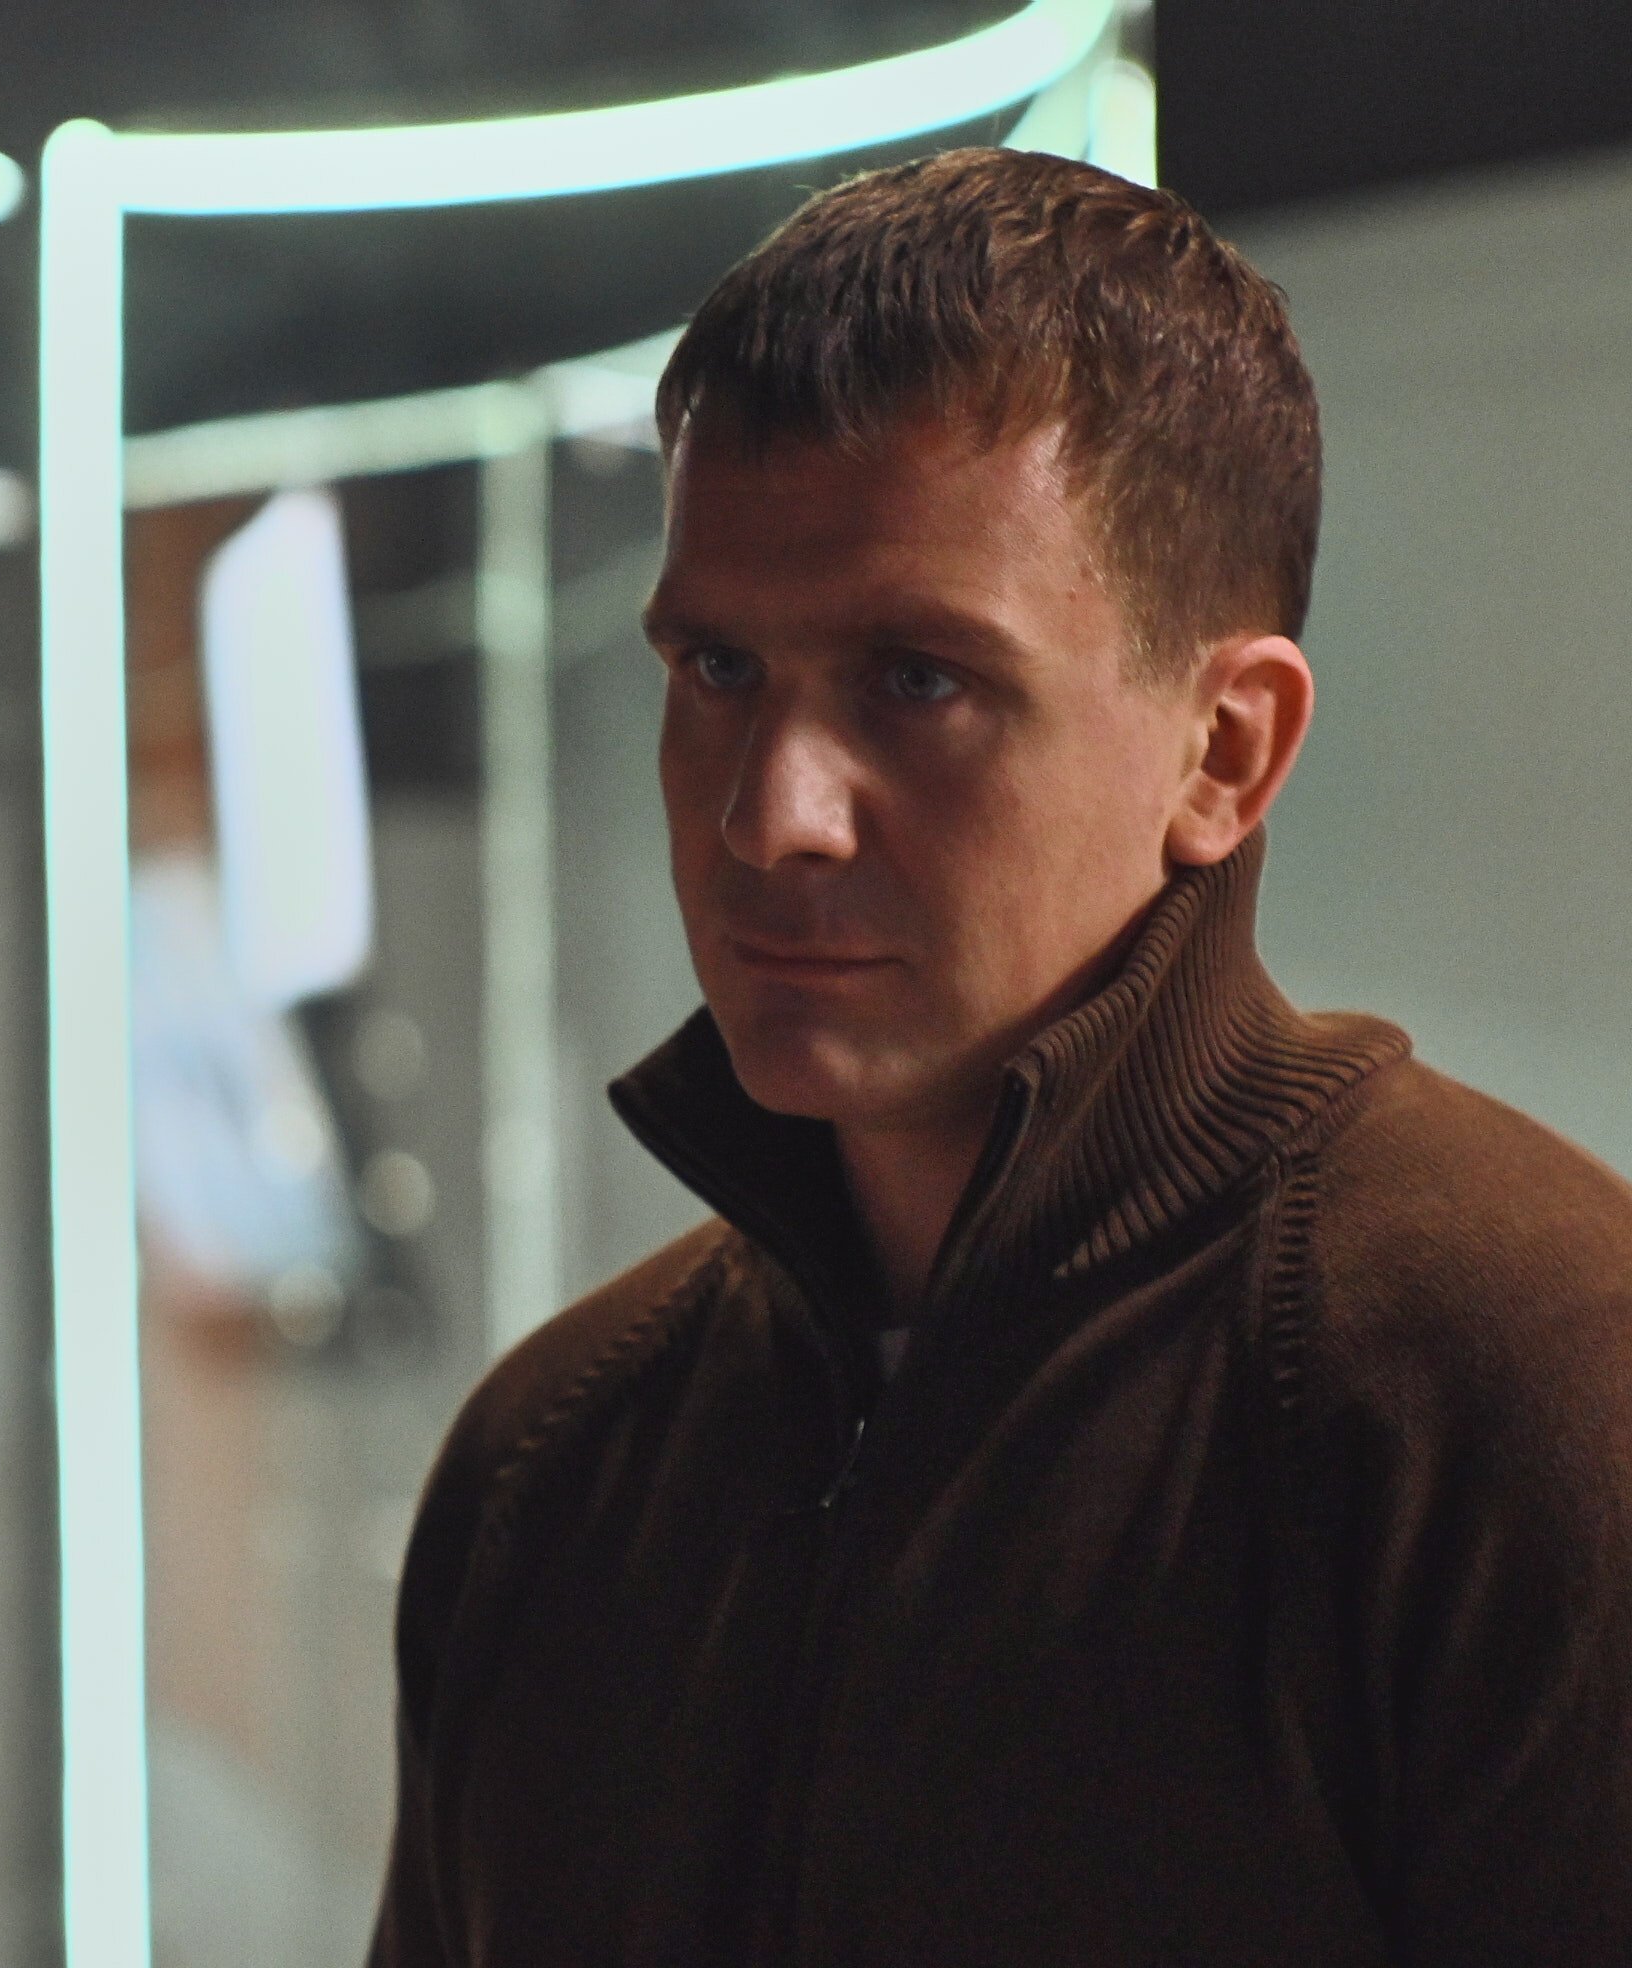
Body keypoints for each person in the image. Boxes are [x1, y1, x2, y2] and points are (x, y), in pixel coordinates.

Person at [371, 147, 1632, 1966]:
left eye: (916, 679)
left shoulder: (1526, 1396)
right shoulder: (549, 1464)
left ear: (1224, 748)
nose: (769, 815)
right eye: (716, 669)